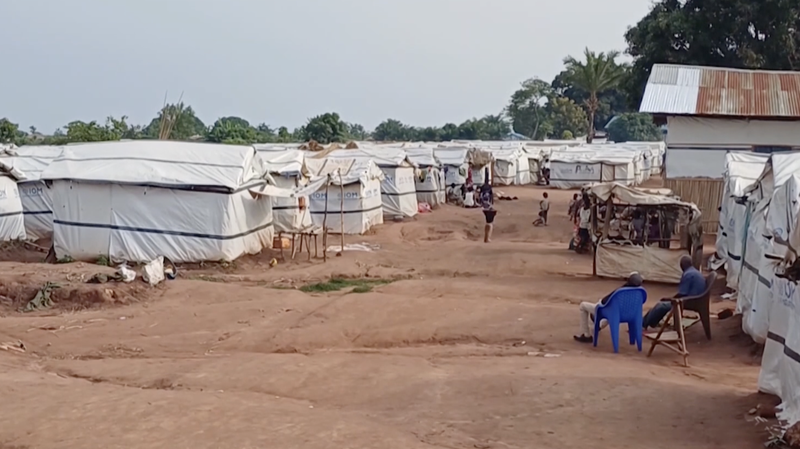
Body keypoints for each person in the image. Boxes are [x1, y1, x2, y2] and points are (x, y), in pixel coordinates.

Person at [574, 272, 644, 343]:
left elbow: (605, 302)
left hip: (609, 310)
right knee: (613, 311)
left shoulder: (621, 290)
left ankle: (586, 334)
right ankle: (600, 325)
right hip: (627, 314)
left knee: (583, 305)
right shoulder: (640, 292)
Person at [642, 255, 706, 330]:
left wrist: (670, 299)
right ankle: (649, 322)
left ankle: (644, 323)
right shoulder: (695, 272)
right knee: (661, 305)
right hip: (696, 298)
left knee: (661, 306)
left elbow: (682, 294)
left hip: (689, 300)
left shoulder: (688, 274)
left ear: (682, 266)